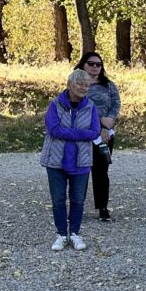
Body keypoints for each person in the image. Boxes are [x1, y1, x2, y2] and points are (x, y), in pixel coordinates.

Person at [40, 69, 99, 251]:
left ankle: (74, 233)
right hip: (55, 160)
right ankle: (61, 234)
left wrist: (70, 133)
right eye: (80, 84)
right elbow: (53, 130)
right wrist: (80, 134)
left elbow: (95, 132)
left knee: (78, 199)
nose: (83, 88)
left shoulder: (91, 107)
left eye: (86, 85)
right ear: (70, 85)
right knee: (58, 199)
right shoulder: (55, 104)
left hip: (81, 160)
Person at [76, 52, 120, 221]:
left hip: (106, 135)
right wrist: (98, 125)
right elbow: (76, 107)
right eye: (91, 64)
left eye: (98, 64)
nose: (95, 67)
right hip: (84, 134)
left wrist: (107, 123)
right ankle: (77, 206)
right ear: (83, 65)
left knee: (101, 171)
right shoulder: (77, 84)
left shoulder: (108, 85)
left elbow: (116, 104)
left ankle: (103, 207)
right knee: (81, 171)